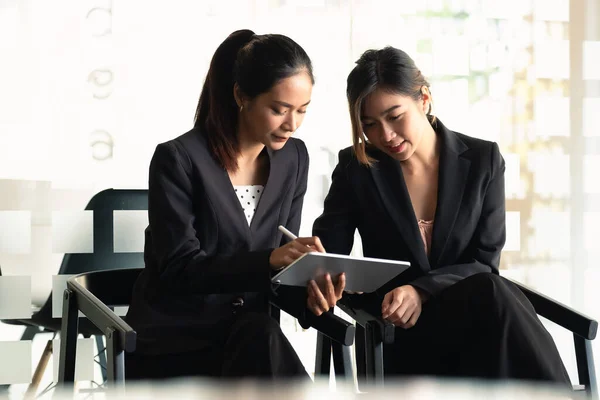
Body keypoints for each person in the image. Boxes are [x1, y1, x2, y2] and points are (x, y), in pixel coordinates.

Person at [311, 46, 571, 387]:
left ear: (424, 99)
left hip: (478, 333)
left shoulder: (482, 160)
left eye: (395, 116)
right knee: (495, 296)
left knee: (491, 290)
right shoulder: (356, 169)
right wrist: (318, 274)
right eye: (369, 125)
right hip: (398, 338)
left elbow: (484, 261)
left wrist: (422, 290)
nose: (385, 136)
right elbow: (330, 256)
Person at [125, 29, 338, 381]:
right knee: (262, 337)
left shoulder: (293, 159)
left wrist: (310, 296)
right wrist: (269, 260)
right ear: (241, 95)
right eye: (279, 109)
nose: (293, 124)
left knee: (261, 334)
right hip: (175, 342)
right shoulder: (178, 159)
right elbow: (178, 269)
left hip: (249, 341)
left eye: (302, 110)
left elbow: (281, 272)